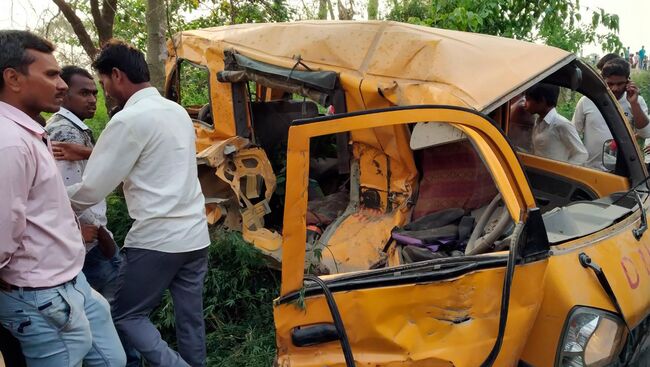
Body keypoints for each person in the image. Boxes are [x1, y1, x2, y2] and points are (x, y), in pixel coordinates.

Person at [66, 40, 210, 367]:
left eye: (102, 83)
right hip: (196, 235)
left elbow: (93, 188)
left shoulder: (128, 120)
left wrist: (50, 201)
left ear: (116, 75)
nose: (103, 91)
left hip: (157, 239)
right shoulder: (176, 112)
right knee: (191, 319)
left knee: (127, 315)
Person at [0, 30, 126, 367]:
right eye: (51, 74)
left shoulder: (30, 133)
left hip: (70, 281)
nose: (61, 85)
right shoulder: (9, 143)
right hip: (39, 292)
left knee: (112, 360)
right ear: (13, 78)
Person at [45, 65, 122, 302]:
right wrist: (92, 232)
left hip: (91, 240)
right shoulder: (65, 133)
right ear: (64, 94)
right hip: (89, 244)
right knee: (115, 308)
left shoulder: (74, 129)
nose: (92, 99)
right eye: (84, 93)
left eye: (94, 93)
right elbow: (71, 193)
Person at [572, 57, 650, 170]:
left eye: (620, 84)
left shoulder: (637, 101)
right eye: (610, 83)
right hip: (591, 170)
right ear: (602, 80)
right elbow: (574, 132)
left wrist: (634, 104)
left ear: (628, 81)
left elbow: (645, 133)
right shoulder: (587, 101)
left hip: (623, 171)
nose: (615, 88)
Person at [524, 83, 588, 165]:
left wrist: (562, 171)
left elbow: (582, 154)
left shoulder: (561, 124)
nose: (524, 104)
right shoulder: (538, 122)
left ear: (542, 101)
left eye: (528, 99)